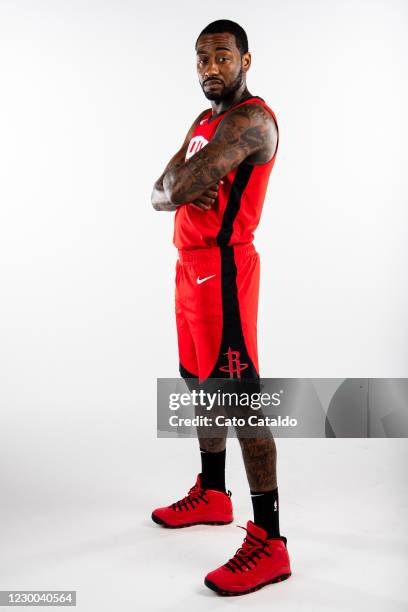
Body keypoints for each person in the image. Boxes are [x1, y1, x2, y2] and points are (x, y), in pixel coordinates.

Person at [150, 19, 291, 596]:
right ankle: (213, 494)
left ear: (246, 61)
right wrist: (181, 182)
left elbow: (175, 190)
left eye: (222, 57)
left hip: (226, 269)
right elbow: (159, 190)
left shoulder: (252, 121)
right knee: (198, 383)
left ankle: (271, 541)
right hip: (189, 268)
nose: (211, 68)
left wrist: (182, 183)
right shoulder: (205, 122)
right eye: (202, 59)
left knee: (240, 396)